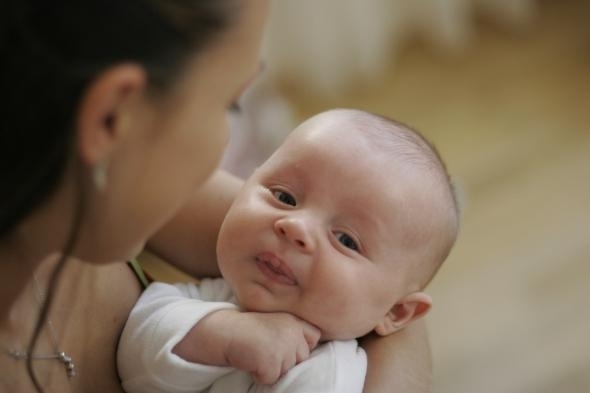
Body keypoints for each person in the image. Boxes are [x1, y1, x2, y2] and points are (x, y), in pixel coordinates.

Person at [0, 0, 433, 392]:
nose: (294, 226)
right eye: (229, 104)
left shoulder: (107, 188)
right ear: (113, 117)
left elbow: (393, 282)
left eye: (346, 240)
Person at [118, 109, 459, 392]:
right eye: (284, 197)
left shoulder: (324, 377)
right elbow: (132, 359)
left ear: (396, 313)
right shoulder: (211, 300)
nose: (296, 227)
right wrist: (220, 335)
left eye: (346, 240)